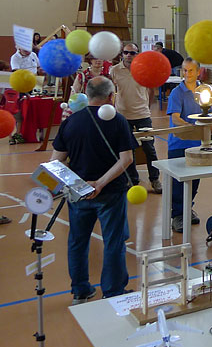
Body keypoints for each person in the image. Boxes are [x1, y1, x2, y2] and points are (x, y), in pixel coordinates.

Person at [51, 76, 136, 303]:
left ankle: (80, 290)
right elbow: (126, 159)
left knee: (78, 242)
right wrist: (100, 183)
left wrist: (77, 186)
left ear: (87, 95)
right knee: (114, 241)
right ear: (111, 96)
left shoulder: (71, 122)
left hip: (78, 195)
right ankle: (114, 290)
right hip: (110, 193)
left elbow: (55, 163)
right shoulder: (118, 121)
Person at [167, 58, 212, 232]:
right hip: (179, 144)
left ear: (198, 72)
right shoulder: (177, 93)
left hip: (198, 143)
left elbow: (208, 115)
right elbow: (175, 117)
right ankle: (177, 215)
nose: (187, 74)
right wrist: (189, 127)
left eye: (190, 71)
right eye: (184, 70)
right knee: (179, 182)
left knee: (194, 180)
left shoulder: (202, 92)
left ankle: (187, 209)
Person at [110, 42, 162, 194]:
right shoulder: (114, 71)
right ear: (122, 54)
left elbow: (152, 91)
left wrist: (146, 106)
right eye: (126, 52)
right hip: (122, 116)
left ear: (137, 54)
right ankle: (132, 180)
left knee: (149, 148)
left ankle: (155, 179)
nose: (128, 55)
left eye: (132, 53)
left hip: (142, 115)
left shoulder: (144, 69)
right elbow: (111, 91)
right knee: (128, 150)